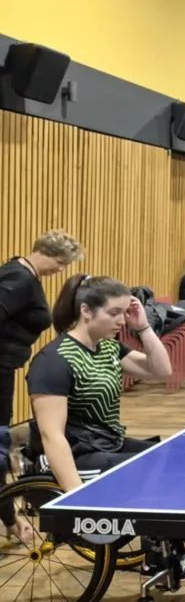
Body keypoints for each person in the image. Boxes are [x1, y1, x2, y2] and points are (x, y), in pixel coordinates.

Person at [26, 274, 185, 582]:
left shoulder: (108, 348)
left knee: (176, 458)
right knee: (153, 470)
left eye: (125, 312)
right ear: (86, 311)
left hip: (109, 443)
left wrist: (143, 327)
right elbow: (51, 435)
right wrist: (76, 500)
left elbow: (162, 370)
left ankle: (174, 547)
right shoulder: (54, 360)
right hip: (80, 455)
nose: (122, 321)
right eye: (114, 313)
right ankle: (156, 559)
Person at [0, 229, 83, 543]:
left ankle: (9, 519)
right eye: (61, 262)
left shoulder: (21, 273)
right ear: (45, 252)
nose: (62, 269)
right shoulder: (20, 279)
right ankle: (10, 518)